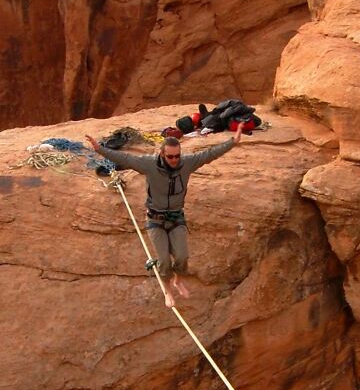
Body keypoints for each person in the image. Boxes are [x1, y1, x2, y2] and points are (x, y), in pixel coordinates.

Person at [86, 128, 243, 307]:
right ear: (162, 153)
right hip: (155, 221)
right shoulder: (149, 164)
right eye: (170, 157)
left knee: (182, 256)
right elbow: (126, 159)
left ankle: (178, 280)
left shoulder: (187, 163)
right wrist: (99, 149)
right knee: (164, 260)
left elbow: (209, 154)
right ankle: (168, 290)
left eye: (177, 156)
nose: (174, 160)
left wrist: (232, 142)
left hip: (176, 218)